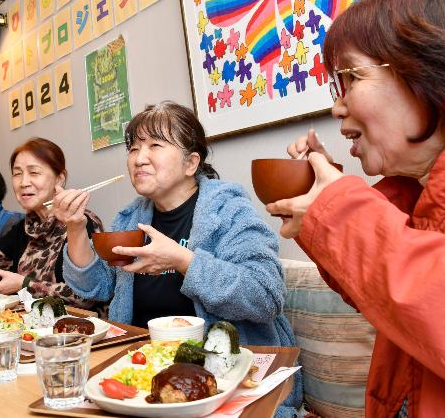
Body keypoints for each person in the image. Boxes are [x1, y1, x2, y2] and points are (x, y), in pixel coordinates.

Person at [265, 0, 445, 417]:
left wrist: (342, 215)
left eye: (352, 78)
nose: (338, 108)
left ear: (431, 75)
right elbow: (396, 301)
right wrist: (321, 214)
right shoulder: (416, 202)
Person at [60, 102, 301, 416]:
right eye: (133, 148)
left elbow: (265, 296)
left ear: (191, 163)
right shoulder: (130, 220)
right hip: (148, 376)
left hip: (227, 377)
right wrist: (75, 227)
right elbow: (96, 288)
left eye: (155, 146)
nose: (138, 158)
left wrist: (184, 260)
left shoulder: (229, 212)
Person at [0, 138, 105, 311]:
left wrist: (25, 284)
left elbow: (86, 296)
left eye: (34, 173)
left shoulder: (81, 222)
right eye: (17, 173)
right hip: (33, 326)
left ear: (59, 179)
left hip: (80, 328)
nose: (23, 182)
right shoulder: (26, 226)